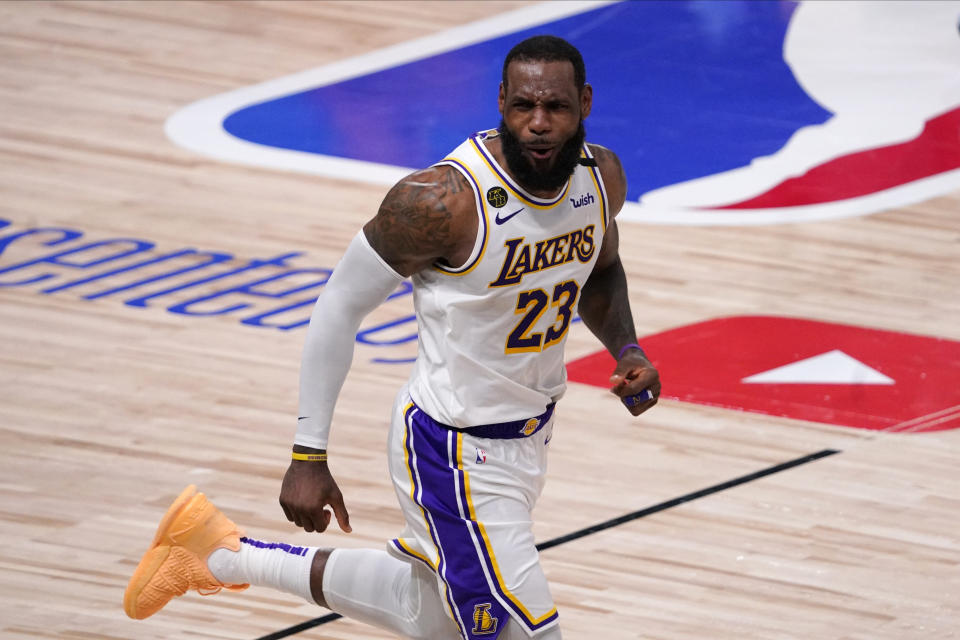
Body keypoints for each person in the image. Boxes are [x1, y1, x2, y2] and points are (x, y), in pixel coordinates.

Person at [123, 35, 660, 640]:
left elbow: (601, 267)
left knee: (429, 613)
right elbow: (338, 306)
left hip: (528, 437)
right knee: (527, 632)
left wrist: (628, 348)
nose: (538, 124)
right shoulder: (440, 203)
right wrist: (308, 453)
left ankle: (215, 554)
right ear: (502, 101)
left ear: (584, 104)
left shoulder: (600, 176)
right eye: (523, 106)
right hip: (451, 450)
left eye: (556, 108)